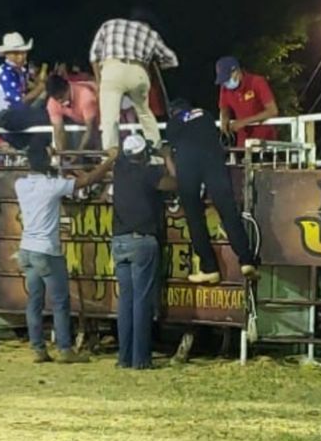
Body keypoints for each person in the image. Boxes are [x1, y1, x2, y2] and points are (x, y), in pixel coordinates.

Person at [14, 140, 116, 363]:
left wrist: (48, 157)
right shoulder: (52, 186)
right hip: (47, 250)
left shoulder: (20, 184)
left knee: (35, 301)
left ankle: (38, 348)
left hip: (27, 248)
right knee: (60, 301)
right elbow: (88, 180)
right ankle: (64, 348)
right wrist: (110, 160)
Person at [166, 100, 257, 284]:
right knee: (228, 211)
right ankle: (247, 261)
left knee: (194, 217)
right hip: (213, 160)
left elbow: (171, 147)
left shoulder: (173, 123)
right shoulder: (205, 114)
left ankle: (209, 268)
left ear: (173, 112)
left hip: (188, 164)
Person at [111, 134, 177, 369]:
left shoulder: (119, 172)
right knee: (141, 302)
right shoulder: (150, 174)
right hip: (142, 240)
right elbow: (174, 183)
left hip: (119, 240)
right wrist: (167, 157)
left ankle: (124, 357)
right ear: (143, 154)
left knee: (125, 302)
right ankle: (141, 359)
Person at [89, 11, 178, 152]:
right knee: (145, 114)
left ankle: (109, 160)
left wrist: (101, 84)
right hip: (138, 72)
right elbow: (172, 60)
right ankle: (156, 153)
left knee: (110, 119)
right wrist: (152, 65)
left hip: (112, 69)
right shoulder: (151, 33)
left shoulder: (110, 24)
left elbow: (94, 56)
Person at [0, 32, 49, 148]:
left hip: (19, 113)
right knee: (46, 116)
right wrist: (40, 88)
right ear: (7, 55)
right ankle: (39, 150)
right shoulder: (5, 72)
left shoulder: (20, 71)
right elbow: (18, 102)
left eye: (23, 53)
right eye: (17, 53)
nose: (22, 56)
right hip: (7, 116)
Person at [214, 56, 279, 147]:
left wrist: (244, 122)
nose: (226, 83)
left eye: (227, 79)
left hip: (265, 141)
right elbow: (224, 108)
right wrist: (224, 119)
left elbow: (272, 111)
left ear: (236, 71)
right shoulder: (224, 88)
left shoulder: (257, 82)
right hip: (243, 142)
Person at [45, 74, 99, 151]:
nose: (60, 101)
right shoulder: (52, 102)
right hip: (82, 120)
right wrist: (61, 155)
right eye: (57, 99)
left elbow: (91, 130)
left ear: (67, 88)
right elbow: (58, 131)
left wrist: (77, 154)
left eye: (61, 97)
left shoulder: (86, 96)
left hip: (102, 118)